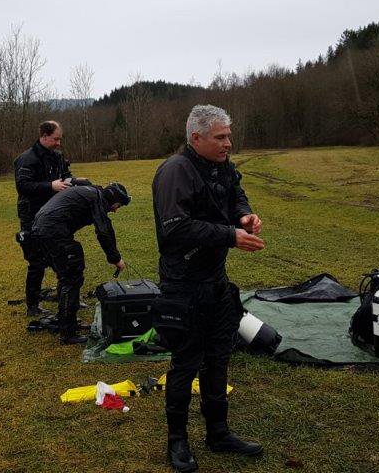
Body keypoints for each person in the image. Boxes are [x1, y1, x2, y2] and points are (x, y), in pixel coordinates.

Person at [152, 104, 266, 473]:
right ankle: (177, 441)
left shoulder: (221, 166)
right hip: (183, 284)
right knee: (186, 363)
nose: (228, 143)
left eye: (228, 136)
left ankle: (218, 433)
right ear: (196, 138)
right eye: (220, 137)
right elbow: (175, 228)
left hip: (216, 281)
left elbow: (235, 194)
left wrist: (244, 216)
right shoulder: (175, 171)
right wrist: (229, 235)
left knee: (218, 358)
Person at [29, 182, 130, 345]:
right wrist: (116, 259)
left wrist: (115, 256)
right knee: (71, 276)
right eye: (118, 205)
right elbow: (103, 231)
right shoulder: (97, 198)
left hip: (40, 229)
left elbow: (107, 226)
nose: (115, 210)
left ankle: (65, 321)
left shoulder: (92, 193)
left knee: (66, 275)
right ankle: (68, 332)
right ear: (113, 199)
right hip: (52, 231)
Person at [14, 121, 72, 317]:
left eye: (60, 139)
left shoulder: (57, 157)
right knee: (36, 262)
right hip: (32, 215)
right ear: (44, 136)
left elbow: (66, 176)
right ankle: (33, 305)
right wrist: (50, 186)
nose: (58, 143)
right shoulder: (27, 159)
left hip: (55, 214)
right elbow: (23, 186)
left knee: (63, 255)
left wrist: (71, 182)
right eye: (56, 139)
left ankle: (65, 296)